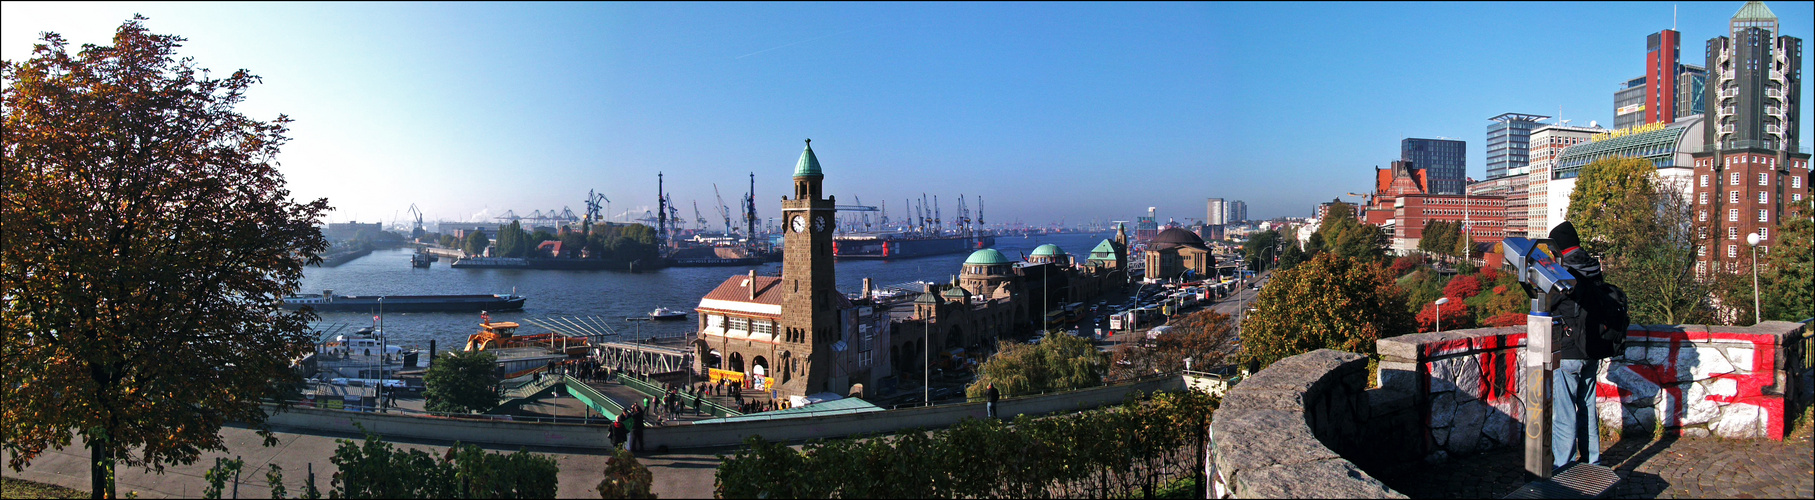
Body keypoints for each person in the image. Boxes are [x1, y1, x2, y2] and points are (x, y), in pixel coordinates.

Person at [1546, 221, 1629, 474]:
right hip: (1593, 348)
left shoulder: (1562, 271)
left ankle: (1564, 464)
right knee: (1587, 405)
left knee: (1564, 412)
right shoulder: (1592, 266)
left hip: (1569, 349)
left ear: (1557, 248)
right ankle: (1592, 461)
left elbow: (1548, 303)